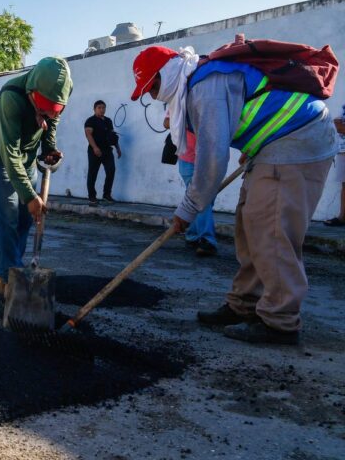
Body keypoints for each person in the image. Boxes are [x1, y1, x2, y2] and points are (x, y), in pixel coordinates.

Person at [131, 45, 337, 345]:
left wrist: (187, 211)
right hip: (271, 146)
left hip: (298, 143)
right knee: (247, 222)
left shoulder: (205, 87)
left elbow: (211, 160)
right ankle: (245, 304)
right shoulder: (196, 84)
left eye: (153, 86)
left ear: (167, 73)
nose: (151, 95)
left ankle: (280, 321)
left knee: (271, 230)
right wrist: (254, 142)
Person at [0, 56, 73, 298]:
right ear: (32, 90)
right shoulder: (11, 97)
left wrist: (49, 148)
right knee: (6, 216)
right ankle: (7, 279)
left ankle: (13, 271)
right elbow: (9, 153)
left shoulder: (62, 92)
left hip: (27, 156)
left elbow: (52, 122)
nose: (46, 113)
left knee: (24, 218)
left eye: (51, 109)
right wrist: (30, 195)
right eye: (41, 108)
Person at [163, 114, 217, 256]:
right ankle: (206, 240)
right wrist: (184, 121)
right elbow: (166, 122)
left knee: (201, 198)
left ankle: (193, 234)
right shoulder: (179, 100)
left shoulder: (211, 99)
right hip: (188, 158)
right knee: (201, 199)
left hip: (209, 157)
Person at [84, 100, 121, 204]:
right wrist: (95, 148)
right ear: (94, 109)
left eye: (103, 108)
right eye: (99, 108)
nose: (102, 110)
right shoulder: (90, 121)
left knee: (111, 170)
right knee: (93, 173)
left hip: (107, 150)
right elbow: (88, 135)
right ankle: (92, 196)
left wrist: (118, 148)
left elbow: (112, 136)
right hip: (94, 151)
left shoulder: (108, 121)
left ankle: (106, 194)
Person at [323, 104, 345, 226]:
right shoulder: (344, 107)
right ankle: (342, 217)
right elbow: (337, 125)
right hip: (343, 150)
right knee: (344, 185)